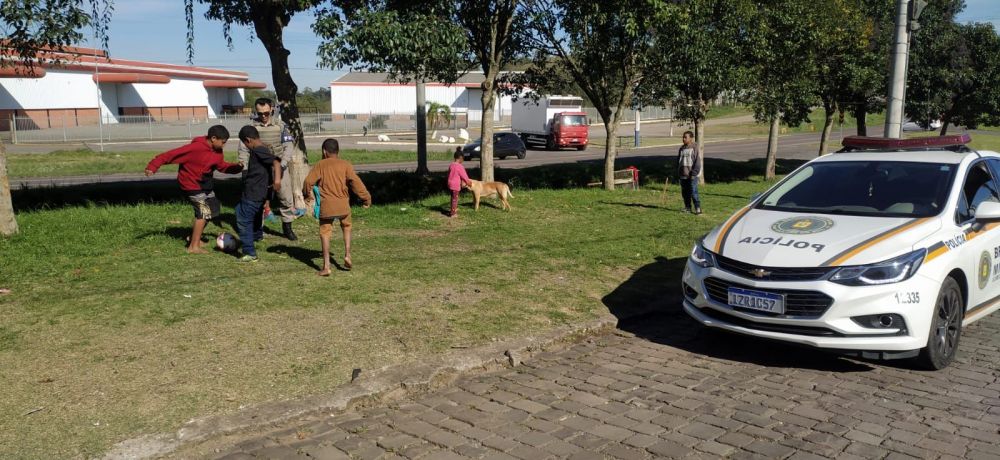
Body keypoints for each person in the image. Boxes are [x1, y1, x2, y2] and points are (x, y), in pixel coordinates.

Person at [145, 125, 242, 254]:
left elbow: (221, 166)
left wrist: (236, 168)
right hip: (191, 184)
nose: (223, 146)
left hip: (205, 184)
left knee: (213, 208)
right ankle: (193, 247)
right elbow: (169, 155)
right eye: (222, 142)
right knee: (203, 212)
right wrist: (152, 166)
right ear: (213, 138)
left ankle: (193, 237)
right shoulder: (195, 148)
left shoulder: (217, 151)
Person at [303, 139, 372, 276]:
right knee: (346, 227)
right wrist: (366, 198)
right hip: (343, 206)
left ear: (324, 151)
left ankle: (326, 266)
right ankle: (347, 254)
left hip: (327, 206)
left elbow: (308, 182)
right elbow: (356, 182)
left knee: (325, 232)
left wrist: (307, 196)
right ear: (338, 151)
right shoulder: (345, 165)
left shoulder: (320, 165)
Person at [238, 97, 300, 241]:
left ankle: (287, 227)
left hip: (279, 166)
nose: (263, 116)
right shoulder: (252, 127)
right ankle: (257, 230)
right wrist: (245, 169)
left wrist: (283, 163)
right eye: (260, 114)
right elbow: (243, 150)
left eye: (266, 113)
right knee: (257, 199)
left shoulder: (281, 126)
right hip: (259, 170)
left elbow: (288, 147)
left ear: (271, 109)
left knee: (285, 198)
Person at [235, 126, 282, 262]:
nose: (245, 146)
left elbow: (276, 162)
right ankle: (256, 235)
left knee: (243, 218)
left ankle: (249, 252)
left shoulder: (259, 150)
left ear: (248, 140)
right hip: (260, 192)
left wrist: (277, 180)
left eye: (245, 144)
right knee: (252, 213)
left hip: (254, 192)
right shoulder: (263, 148)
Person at [677, 130, 702, 214]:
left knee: (693, 192)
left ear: (691, 138)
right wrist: (678, 171)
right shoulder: (681, 148)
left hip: (692, 175)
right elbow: (679, 161)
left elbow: (697, 162)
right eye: (683, 137)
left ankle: (698, 208)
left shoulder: (694, 147)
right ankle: (687, 207)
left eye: (685, 137)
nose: (683, 139)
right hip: (683, 175)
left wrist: (694, 173)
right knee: (685, 193)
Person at [447, 149, 472, 217]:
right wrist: (468, 182)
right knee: (455, 199)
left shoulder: (451, 165)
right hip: (455, 185)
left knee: (452, 198)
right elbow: (464, 176)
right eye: (463, 159)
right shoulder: (460, 166)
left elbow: (449, 174)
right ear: (460, 158)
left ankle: (453, 209)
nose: (463, 160)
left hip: (450, 184)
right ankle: (453, 213)